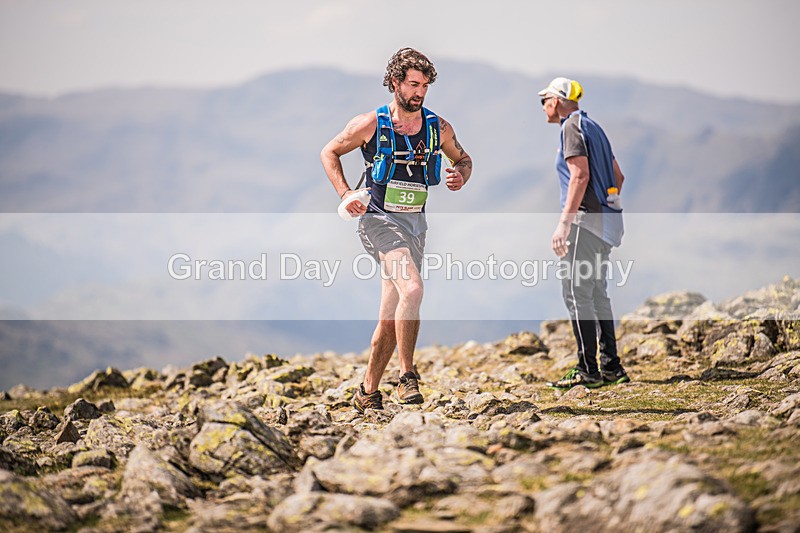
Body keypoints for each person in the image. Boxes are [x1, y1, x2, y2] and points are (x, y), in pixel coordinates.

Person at [320, 48, 473, 412]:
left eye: (424, 85)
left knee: (391, 317)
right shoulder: (370, 123)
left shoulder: (438, 127)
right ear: (395, 83)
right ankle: (407, 376)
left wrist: (459, 177)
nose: (419, 92)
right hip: (378, 221)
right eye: (412, 84)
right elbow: (330, 152)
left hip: (415, 226)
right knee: (414, 287)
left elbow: (464, 159)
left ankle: (367, 391)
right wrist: (345, 194)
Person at [538, 77, 630, 389]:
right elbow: (618, 175)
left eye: (544, 100)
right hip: (605, 223)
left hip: (584, 225)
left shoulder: (570, 127)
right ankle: (611, 366)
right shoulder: (594, 127)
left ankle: (588, 370)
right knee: (597, 294)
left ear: (557, 100)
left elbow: (579, 175)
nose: (543, 106)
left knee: (576, 295)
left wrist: (565, 224)